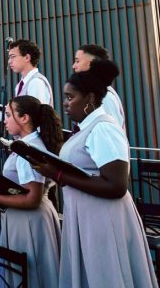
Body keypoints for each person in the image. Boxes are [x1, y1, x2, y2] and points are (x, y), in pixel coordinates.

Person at [31, 60, 158, 288]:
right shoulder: (87, 127)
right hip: (85, 213)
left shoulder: (103, 128)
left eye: (71, 97)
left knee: (105, 275)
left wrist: (58, 175)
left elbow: (116, 186)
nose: (65, 103)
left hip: (103, 217)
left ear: (89, 98)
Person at [0, 95, 62, 288]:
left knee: (30, 275)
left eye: (10, 115)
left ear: (24, 118)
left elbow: (32, 198)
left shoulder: (29, 149)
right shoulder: (26, 144)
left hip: (30, 220)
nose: (5, 119)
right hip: (23, 218)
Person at [72, 44, 126, 130]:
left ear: (92, 63)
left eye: (77, 61)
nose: (74, 66)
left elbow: (111, 134)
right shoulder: (94, 93)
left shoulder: (105, 97)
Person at [8, 39, 53, 106]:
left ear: (27, 57)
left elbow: (34, 113)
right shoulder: (21, 84)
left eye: (13, 57)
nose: (9, 61)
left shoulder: (36, 82)